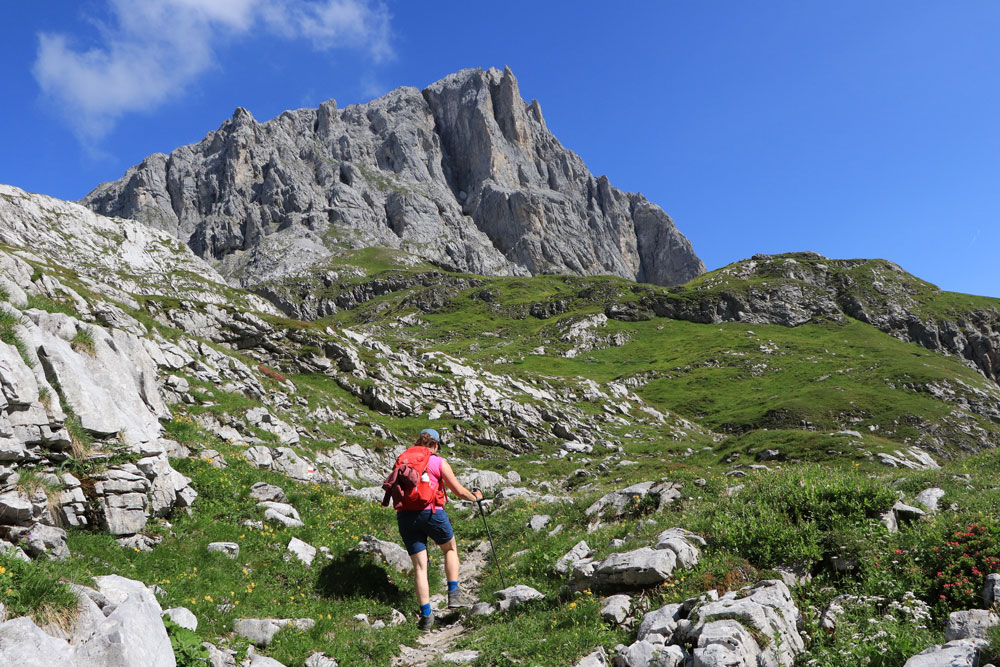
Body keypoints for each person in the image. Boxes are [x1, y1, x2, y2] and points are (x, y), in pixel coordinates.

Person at [395, 428, 483, 631]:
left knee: (420, 567)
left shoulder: (404, 459)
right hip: (432, 512)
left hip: (406, 515)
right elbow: (459, 491)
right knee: (450, 548)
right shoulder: (437, 462)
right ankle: (453, 593)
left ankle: (426, 617)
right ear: (435, 445)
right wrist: (476, 497)